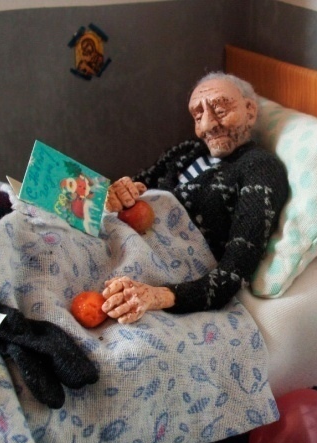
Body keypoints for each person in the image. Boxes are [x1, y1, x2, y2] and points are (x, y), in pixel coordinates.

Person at [102, 72, 288, 324]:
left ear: (250, 111)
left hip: (159, 272)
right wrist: (118, 193)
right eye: (198, 116)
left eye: (220, 110)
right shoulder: (186, 151)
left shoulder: (260, 167)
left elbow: (233, 274)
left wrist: (154, 296)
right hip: (115, 239)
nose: (207, 125)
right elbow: (137, 186)